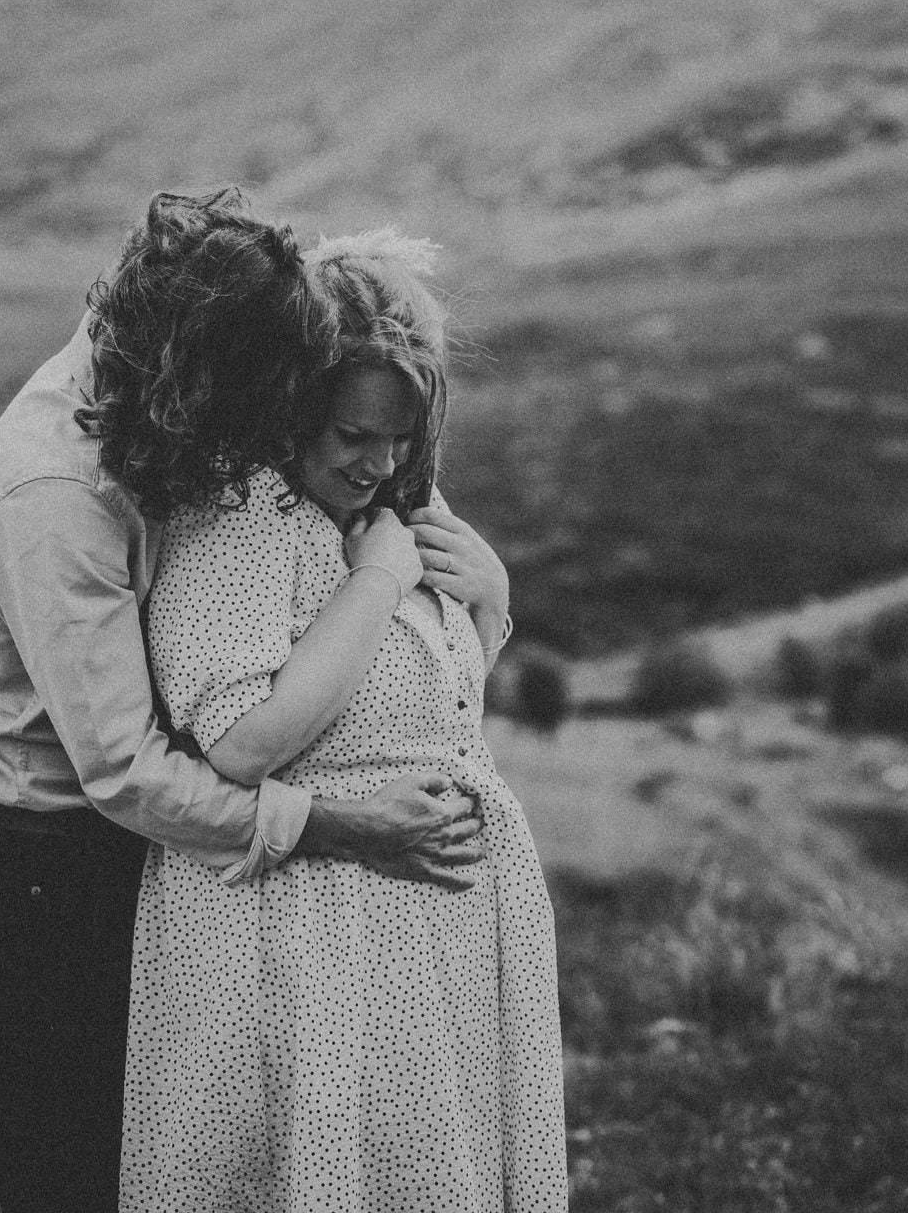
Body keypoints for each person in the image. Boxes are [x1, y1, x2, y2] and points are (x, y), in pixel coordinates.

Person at [0, 190, 484, 1213]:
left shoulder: (163, 370)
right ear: (199, 374)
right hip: (42, 873)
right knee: (81, 1178)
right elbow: (125, 771)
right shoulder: (52, 499)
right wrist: (335, 825)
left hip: (134, 858)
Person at [121, 229, 571, 1212]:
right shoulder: (235, 520)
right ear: (291, 410)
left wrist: (491, 599)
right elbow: (243, 741)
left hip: (418, 938)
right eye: (353, 435)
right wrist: (376, 579)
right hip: (307, 943)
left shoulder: (395, 509)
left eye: (400, 435)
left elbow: (415, 700)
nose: (380, 461)